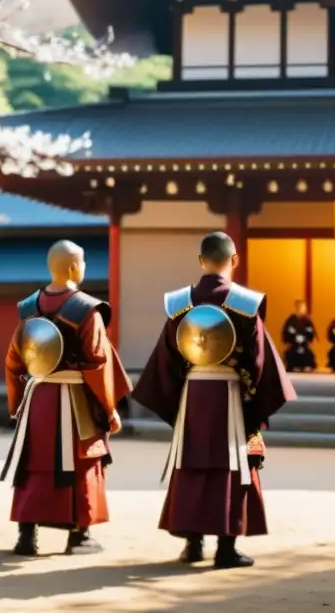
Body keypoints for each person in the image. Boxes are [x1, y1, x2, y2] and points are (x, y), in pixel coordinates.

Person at [132, 231, 296, 569]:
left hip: (193, 394)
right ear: (234, 260)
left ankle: (192, 544)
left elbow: (165, 360)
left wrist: (179, 401)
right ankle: (226, 548)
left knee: (190, 463)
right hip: (230, 396)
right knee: (231, 466)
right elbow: (259, 360)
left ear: (200, 261)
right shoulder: (245, 304)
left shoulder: (180, 305)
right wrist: (252, 407)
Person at [0, 239, 132, 557]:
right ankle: (79, 536)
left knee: (32, 462)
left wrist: (18, 402)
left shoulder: (28, 307)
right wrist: (109, 407)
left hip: (38, 397)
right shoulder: (87, 310)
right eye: (84, 262)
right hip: (75, 399)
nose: (85, 267)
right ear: (74, 267)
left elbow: (14, 360)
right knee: (80, 461)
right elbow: (98, 362)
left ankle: (26, 537)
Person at [282, 300, 317, 372]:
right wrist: (294, 337)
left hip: (305, 346)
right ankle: (294, 366)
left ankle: (307, 366)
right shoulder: (290, 320)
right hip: (294, 346)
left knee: (308, 355)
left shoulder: (308, 321)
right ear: (296, 308)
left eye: (303, 308)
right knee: (292, 355)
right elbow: (286, 334)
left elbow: (312, 335)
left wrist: (305, 338)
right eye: (300, 307)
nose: (302, 309)